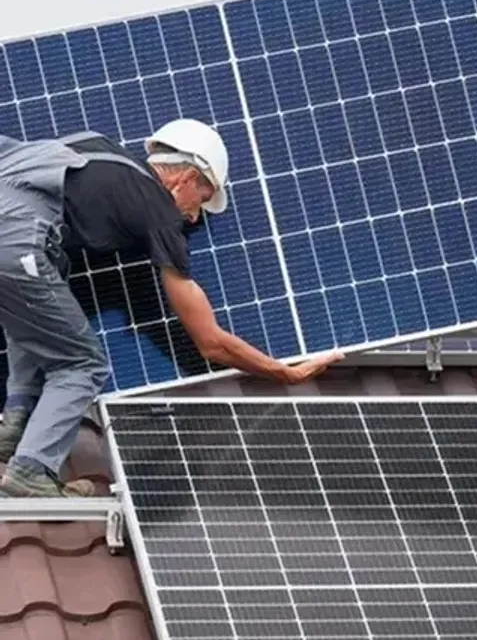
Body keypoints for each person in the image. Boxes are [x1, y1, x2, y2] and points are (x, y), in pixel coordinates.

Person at [0, 119, 343, 498]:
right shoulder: (157, 208)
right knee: (82, 364)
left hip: (16, 236)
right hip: (17, 243)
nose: (196, 216)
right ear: (186, 178)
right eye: (203, 196)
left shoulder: (89, 144)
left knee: (39, 305)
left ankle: (15, 422)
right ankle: (31, 470)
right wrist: (281, 372)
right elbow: (210, 342)